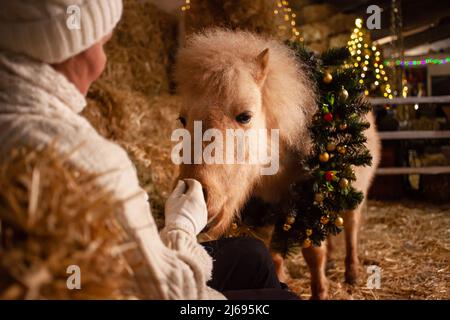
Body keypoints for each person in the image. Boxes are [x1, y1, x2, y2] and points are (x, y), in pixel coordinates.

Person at [0, 0, 298, 300]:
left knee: (252, 253)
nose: (103, 61)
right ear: (68, 47)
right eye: (101, 44)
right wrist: (180, 227)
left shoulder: (18, 120)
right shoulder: (87, 158)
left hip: (116, 275)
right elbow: (175, 295)